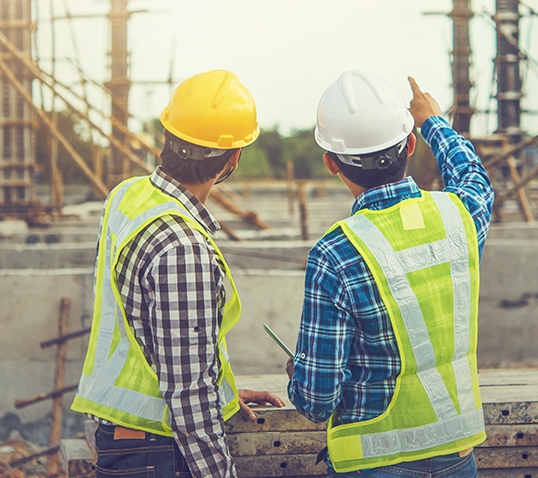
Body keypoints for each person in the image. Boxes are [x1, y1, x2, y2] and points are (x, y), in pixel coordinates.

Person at [72, 69, 285, 478]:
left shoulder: (127, 196)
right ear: (233, 157)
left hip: (126, 438)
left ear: (167, 137)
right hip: (159, 448)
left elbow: (148, 329)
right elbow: (186, 393)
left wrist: (219, 391)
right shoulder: (184, 247)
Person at [287, 70, 494, 478]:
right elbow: (474, 178)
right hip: (458, 457)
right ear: (411, 144)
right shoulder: (460, 216)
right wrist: (433, 121)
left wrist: (300, 372)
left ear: (331, 162)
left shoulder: (337, 253)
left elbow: (315, 399)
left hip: (371, 465)